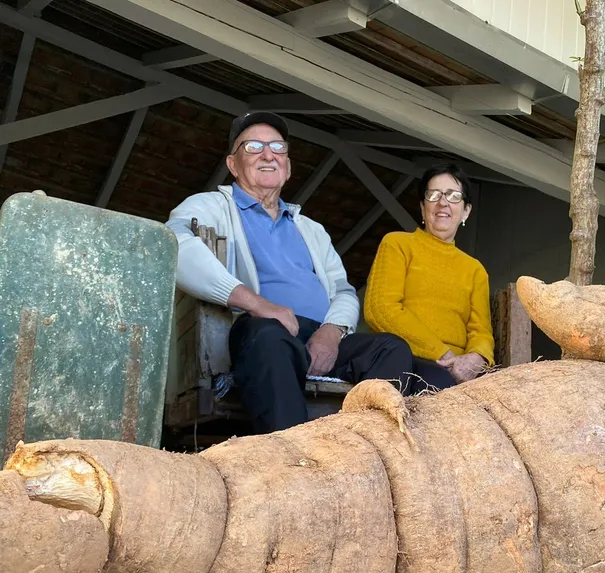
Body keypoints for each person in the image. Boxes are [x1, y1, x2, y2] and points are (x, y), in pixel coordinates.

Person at [167, 111, 419, 434]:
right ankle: (296, 463)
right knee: (270, 338)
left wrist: (332, 331)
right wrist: (258, 304)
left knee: (392, 349)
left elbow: (343, 290)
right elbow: (174, 244)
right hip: (259, 329)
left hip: (318, 335)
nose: (268, 154)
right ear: (233, 164)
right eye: (254, 146)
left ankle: (365, 447)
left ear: (287, 168)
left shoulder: (310, 228)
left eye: (278, 147)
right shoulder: (213, 206)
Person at [364, 164, 494, 390]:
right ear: (423, 208)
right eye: (434, 195)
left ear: (466, 211)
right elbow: (381, 309)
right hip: (405, 358)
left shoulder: (475, 270)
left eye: (453, 196)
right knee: (434, 384)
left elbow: (480, 332)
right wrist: (442, 353)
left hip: (457, 371)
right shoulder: (398, 244)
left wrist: (476, 358)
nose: (443, 202)